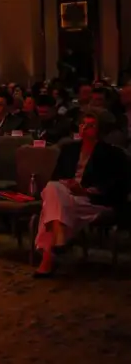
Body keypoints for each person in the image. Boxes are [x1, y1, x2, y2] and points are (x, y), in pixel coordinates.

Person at [33, 112, 127, 277]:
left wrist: (84, 191)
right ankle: (58, 238)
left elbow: (117, 186)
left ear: (100, 130)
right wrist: (68, 184)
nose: (85, 128)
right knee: (53, 188)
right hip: (66, 196)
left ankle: (48, 258)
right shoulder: (69, 149)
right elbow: (56, 177)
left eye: (91, 125)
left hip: (92, 201)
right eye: (83, 124)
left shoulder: (113, 154)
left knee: (51, 206)